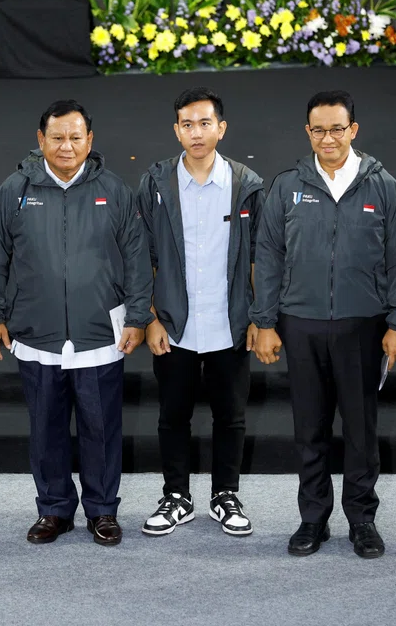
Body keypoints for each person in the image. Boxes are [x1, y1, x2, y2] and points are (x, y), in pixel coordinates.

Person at [0, 100, 153, 547]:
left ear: (90, 141)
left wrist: (137, 316)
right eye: (57, 137)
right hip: (37, 336)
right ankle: (53, 509)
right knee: (47, 429)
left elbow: (136, 258)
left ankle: (102, 511)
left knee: (101, 428)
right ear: (40, 140)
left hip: (99, 336)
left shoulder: (114, 190)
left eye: (76, 137)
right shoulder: (14, 190)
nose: (67, 146)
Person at [250, 90, 396, 559]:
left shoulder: (383, 185)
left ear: (353, 130)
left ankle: (362, 519)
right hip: (299, 324)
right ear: (308, 133)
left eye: (337, 128)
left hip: (362, 325)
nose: (328, 138)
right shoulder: (286, 186)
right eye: (318, 129)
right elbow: (268, 255)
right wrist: (264, 321)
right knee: (310, 427)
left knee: (361, 429)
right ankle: (312, 519)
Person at [136, 87, 265, 537]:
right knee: (173, 415)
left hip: (230, 323)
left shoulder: (248, 185)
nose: (196, 133)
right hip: (173, 324)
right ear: (176, 130)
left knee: (231, 416)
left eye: (205, 123)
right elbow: (141, 256)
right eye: (187, 125)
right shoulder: (155, 183)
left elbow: (259, 260)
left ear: (221, 128)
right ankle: (176, 496)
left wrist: (258, 318)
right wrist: (150, 317)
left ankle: (225, 495)